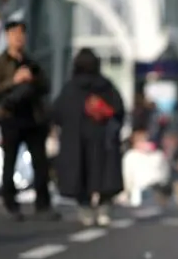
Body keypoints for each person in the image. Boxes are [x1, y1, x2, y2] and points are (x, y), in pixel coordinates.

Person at [0, 19, 59, 221]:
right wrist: (13, 81)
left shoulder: (31, 62)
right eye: (15, 33)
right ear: (7, 36)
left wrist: (31, 78)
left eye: (22, 34)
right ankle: (11, 203)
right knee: (9, 161)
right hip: (10, 118)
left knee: (40, 163)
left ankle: (43, 203)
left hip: (33, 118)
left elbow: (46, 86)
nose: (19, 38)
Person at [51, 48, 126, 227]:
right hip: (103, 142)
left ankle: (85, 209)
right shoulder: (106, 87)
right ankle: (103, 208)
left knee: (79, 176)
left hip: (76, 143)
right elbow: (119, 111)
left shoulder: (70, 89)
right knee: (105, 174)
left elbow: (56, 113)